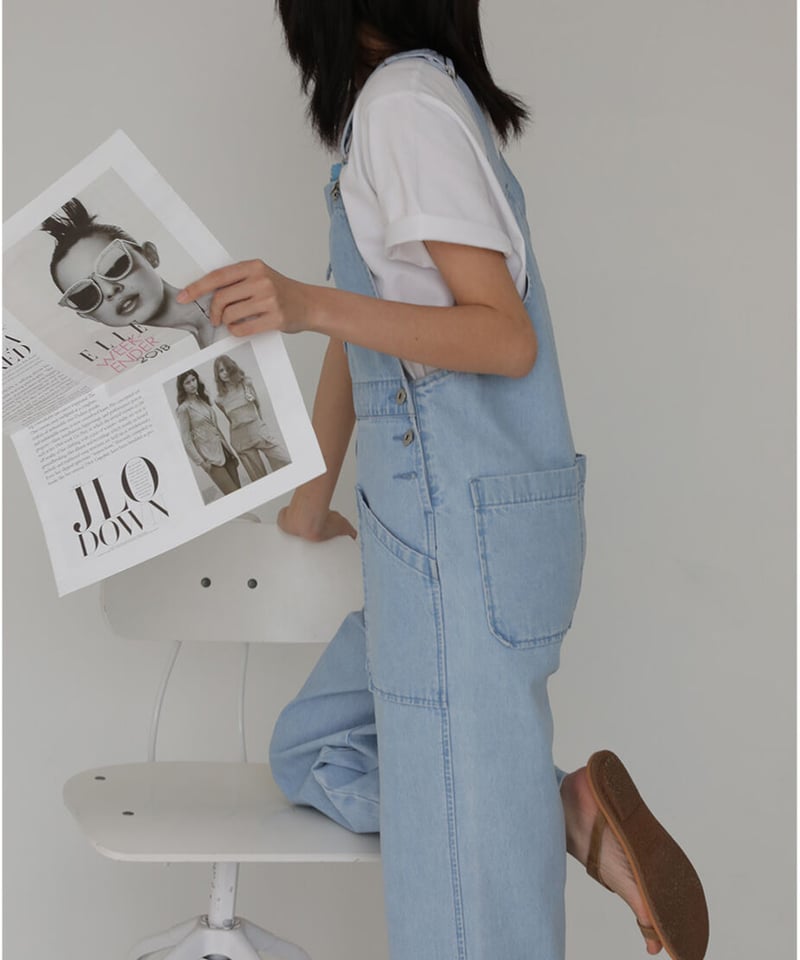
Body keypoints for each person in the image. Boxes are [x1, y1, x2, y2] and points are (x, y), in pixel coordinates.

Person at [175, 4, 709, 960]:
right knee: (314, 750)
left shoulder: (403, 108)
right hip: (449, 534)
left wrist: (303, 302)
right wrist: (309, 504)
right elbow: (373, 326)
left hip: (450, 546)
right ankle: (547, 806)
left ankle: (516, 807)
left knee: (468, 924)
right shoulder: (407, 105)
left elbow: (503, 336)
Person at [41, 198, 223, 348]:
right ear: (87, 315)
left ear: (150, 255)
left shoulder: (223, 313)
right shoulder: (201, 335)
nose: (110, 290)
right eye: (87, 295)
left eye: (114, 267)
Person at [213, 354, 291, 478]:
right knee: (259, 478)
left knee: (285, 460)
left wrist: (262, 426)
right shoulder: (219, 399)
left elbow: (257, 406)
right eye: (221, 370)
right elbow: (230, 420)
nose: (225, 373)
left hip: (258, 431)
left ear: (232, 368)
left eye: (227, 368)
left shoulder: (246, 383)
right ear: (218, 375)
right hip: (240, 440)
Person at [175, 369, 241, 496]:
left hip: (225, 453)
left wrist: (231, 453)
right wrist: (202, 463)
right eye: (187, 382)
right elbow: (186, 440)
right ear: (182, 387)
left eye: (193, 380)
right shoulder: (184, 409)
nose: (192, 384)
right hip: (210, 458)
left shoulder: (203, 401)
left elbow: (216, 429)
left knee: (240, 493)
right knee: (232, 494)